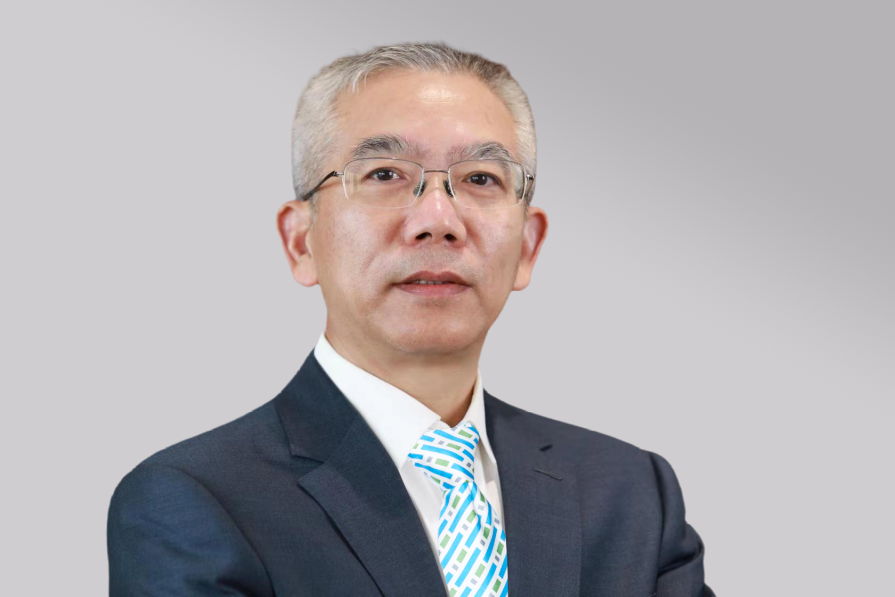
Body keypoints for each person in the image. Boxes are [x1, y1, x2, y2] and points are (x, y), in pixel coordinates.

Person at [107, 42, 714, 597]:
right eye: (385, 175)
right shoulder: (194, 500)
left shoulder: (631, 494)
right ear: (300, 241)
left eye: (480, 178)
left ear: (528, 247)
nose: (438, 220)